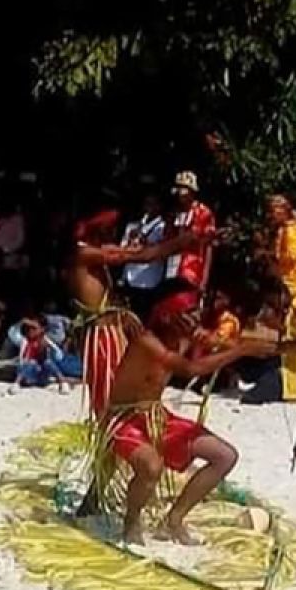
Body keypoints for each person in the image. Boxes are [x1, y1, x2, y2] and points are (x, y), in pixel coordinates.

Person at [98, 290, 296, 545]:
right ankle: (131, 523)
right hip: (124, 420)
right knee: (151, 466)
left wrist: (287, 348)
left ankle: (173, 520)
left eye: (196, 310)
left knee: (224, 456)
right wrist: (241, 350)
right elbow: (192, 369)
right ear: (168, 316)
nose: (195, 317)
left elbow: (241, 342)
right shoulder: (146, 342)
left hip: (157, 416)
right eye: (188, 312)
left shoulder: (187, 336)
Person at [68, 208, 201, 419]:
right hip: (101, 335)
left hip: (113, 331)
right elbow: (142, 256)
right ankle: (111, 435)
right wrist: (179, 243)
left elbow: (139, 254)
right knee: (107, 388)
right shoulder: (82, 253)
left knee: (122, 383)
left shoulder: (94, 250)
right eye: (109, 229)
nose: (112, 234)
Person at [247, 193, 296, 403]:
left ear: (286, 209)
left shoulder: (293, 231)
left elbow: (288, 262)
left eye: (275, 209)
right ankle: (292, 381)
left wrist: (265, 253)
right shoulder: (286, 229)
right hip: (294, 286)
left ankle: (294, 384)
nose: (271, 214)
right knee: (291, 332)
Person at [164, 171, 216, 297]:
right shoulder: (174, 213)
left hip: (191, 271)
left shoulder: (203, 213)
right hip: (172, 270)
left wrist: (204, 280)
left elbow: (209, 247)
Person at [119, 193, 166, 321]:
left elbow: (161, 250)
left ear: (159, 207)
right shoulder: (133, 226)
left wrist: (145, 241)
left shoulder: (164, 227)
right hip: (129, 279)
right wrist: (131, 239)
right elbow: (122, 249)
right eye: (147, 204)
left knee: (141, 320)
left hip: (147, 281)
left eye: (152, 204)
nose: (148, 208)